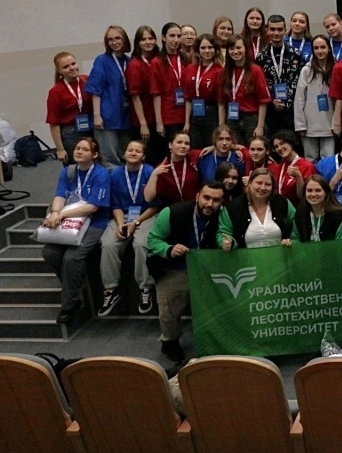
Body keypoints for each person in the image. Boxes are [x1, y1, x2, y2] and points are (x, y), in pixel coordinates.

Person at [147, 180, 227, 361]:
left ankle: (212, 341)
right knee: (169, 312)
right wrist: (169, 249)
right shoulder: (172, 212)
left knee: (212, 309)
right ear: (197, 196)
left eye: (216, 200)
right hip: (173, 267)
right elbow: (152, 240)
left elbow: (225, 234)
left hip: (205, 269)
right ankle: (169, 342)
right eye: (206, 198)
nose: (210, 204)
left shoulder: (223, 214)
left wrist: (227, 242)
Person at [40, 137, 112, 324]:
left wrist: (61, 215)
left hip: (95, 221)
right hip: (70, 220)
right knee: (49, 252)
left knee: (71, 258)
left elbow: (93, 207)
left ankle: (69, 305)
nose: (79, 151)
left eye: (85, 149)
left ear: (95, 155)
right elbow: (59, 195)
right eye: (77, 148)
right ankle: (73, 286)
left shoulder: (101, 174)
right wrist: (55, 212)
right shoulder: (68, 172)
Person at [98, 140, 158, 316]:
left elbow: (155, 205)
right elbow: (115, 204)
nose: (133, 153)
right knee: (108, 244)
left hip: (146, 215)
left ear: (143, 156)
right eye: (130, 150)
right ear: (124, 154)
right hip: (122, 216)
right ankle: (111, 290)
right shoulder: (116, 174)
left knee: (141, 244)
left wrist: (135, 223)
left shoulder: (150, 172)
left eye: (137, 151)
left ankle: (145, 288)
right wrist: (120, 224)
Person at [85, 25, 132, 167]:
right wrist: (97, 115)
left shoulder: (129, 61)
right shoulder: (102, 61)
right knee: (109, 159)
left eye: (118, 38)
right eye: (110, 39)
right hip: (107, 116)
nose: (114, 42)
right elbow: (96, 90)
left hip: (125, 115)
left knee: (126, 155)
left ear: (124, 39)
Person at [217, 167, 298, 249]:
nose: (263, 188)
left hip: (282, 256)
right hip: (245, 257)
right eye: (259, 183)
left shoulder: (283, 203)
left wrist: (292, 242)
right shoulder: (233, 207)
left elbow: (297, 226)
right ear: (249, 183)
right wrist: (227, 242)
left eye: (268, 184)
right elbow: (224, 232)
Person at [256, 14, 305, 135]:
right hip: (270, 111)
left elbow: (300, 84)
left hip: (292, 111)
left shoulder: (296, 55)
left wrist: (287, 101)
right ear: (267, 30)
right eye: (272, 29)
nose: (276, 33)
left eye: (279, 29)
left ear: (285, 30)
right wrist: (273, 100)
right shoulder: (261, 57)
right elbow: (261, 85)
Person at [219, 34, 270, 141]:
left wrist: (260, 126)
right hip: (231, 120)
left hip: (251, 119)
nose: (235, 51)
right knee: (235, 150)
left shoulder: (256, 70)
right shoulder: (225, 72)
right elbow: (221, 102)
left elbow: (263, 101)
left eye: (238, 48)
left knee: (252, 149)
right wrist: (222, 126)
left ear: (245, 49)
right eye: (231, 49)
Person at [294, 35, 336, 161]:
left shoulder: (336, 69)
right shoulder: (306, 70)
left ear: (329, 48)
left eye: (323, 47)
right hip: (309, 124)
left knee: (328, 159)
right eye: (316, 48)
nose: (320, 51)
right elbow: (299, 98)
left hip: (329, 123)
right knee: (310, 159)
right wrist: (300, 124)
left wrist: (337, 123)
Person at [46, 51, 94, 165]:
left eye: (73, 64)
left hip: (90, 127)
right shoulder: (55, 91)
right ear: (59, 71)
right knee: (76, 165)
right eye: (66, 67)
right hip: (70, 132)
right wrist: (60, 149)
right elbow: (53, 122)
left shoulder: (87, 80)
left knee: (94, 162)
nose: (72, 68)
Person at [151, 23, 186, 165]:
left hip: (186, 114)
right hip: (168, 116)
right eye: (172, 36)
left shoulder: (185, 58)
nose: (176, 40)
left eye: (179, 36)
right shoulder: (157, 62)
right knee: (171, 155)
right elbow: (156, 94)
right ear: (164, 38)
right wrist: (159, 122)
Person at [183, 33, 223, 151]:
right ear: (198, 50)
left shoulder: (219, 70)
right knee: (195, 149)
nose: (207, 51)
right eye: (203, 48)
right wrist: (187, 122)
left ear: (215, 50)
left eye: (210, 47)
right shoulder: (190, 68)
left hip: (211, 114)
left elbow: (221, 102)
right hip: (194, 115)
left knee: (212, 148)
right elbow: (188, 98)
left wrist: (221, 127)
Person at [126, 25, 160, 160]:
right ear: (137, 43)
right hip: (144, 120)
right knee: (148, 156)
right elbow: (135, 96)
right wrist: (143, 124)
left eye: (150, 38)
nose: (148, 42)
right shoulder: (135, 64)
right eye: (143, 39)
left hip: (159, 117)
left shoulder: (158, 60)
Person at [144, 131, 203, 205]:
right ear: (170, 145)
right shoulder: (163, 167)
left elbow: (215, 150)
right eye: (179, 142)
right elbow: (148, 198)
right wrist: (154, 174)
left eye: (187, 143)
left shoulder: (193, 156)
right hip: (174, 207)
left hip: (195, 205)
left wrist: (212, 147)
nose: (183, 146)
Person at [295, 174, 342, 242]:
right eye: (309, 190)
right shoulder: (301, 213)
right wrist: (289, 243)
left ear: (326, 193)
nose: (313, 194)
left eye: (318, 190)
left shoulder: (340, 217)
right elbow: (295, 238)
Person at [270, 129, 316, 206]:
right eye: (276, 147)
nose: (279, 148)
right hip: (281, 207)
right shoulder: (280, 165)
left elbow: (305, 197)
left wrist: (298, 177)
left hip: (298, 208)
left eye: (282, 143)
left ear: (291, 142)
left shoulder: (306, 166)